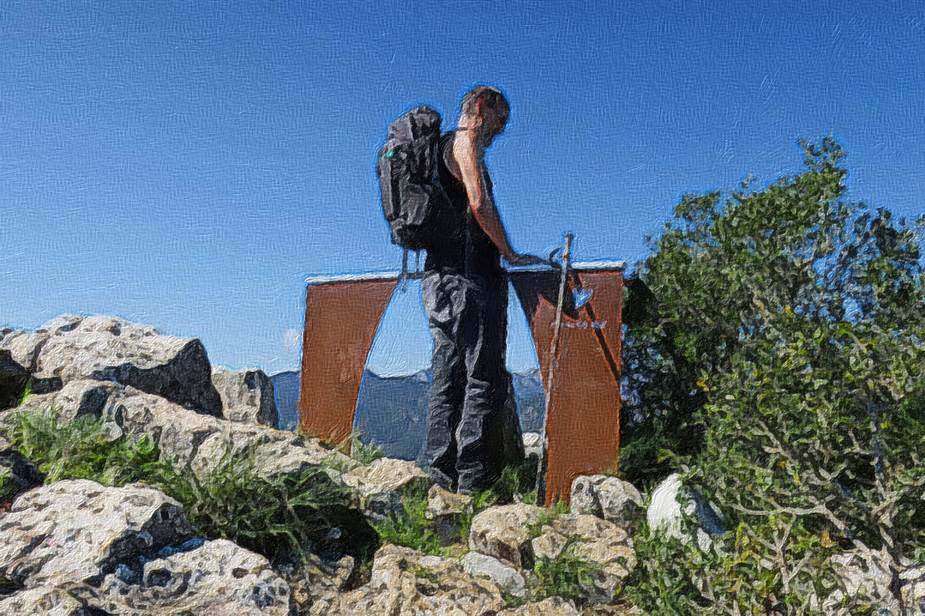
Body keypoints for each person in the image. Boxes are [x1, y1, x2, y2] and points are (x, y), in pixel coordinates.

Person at [422, 85, 542, 493]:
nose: (502, 130)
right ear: (480, 106)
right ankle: (472, 484)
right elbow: (478, 203)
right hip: (470, 281)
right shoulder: (464, 143)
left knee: (448, 378)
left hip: (438, 280)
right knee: (482, 379)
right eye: (501, 118)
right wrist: (509, 251)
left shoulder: (435, 151)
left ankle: (440, 480)